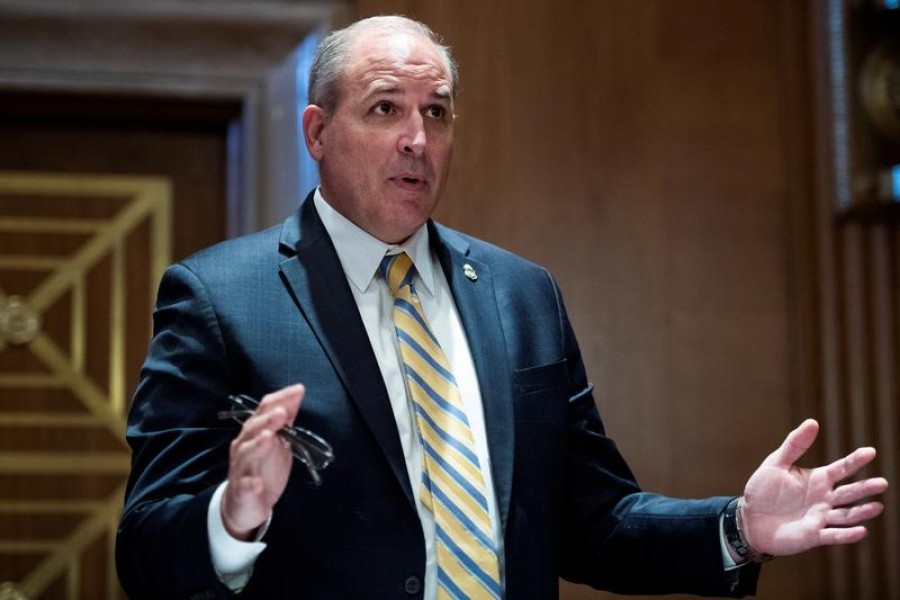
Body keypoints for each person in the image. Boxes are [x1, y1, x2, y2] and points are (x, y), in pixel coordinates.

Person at [115, 15, 888, 600]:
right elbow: (144, 551)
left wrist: (737, 529)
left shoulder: (523, 295)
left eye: (438, 113)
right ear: (318, 131)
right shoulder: (219, 298)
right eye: (386, 109)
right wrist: (234, 513)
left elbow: (593, 520)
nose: (418, 139)